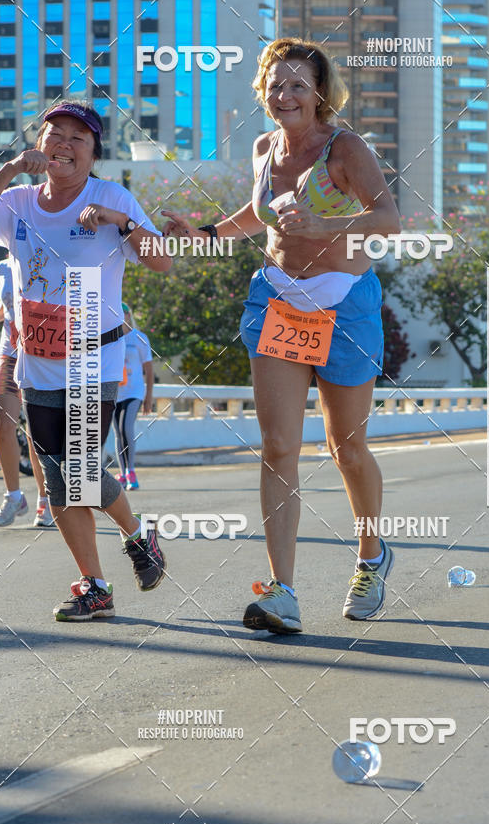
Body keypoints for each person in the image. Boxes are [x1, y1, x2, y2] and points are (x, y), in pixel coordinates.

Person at [163, 37, 400, 634]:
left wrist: (324, 222)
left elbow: (389, 219)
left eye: (298, 84)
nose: (284, 93)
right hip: (277, 302)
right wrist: (207, 231)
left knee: (346, 448)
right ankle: (283, 592)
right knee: (278, 448)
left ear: (320, 94)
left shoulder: (344, 148)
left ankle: (372, 556)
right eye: (275, 82)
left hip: (343, 305)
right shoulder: (265, 146)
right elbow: (256, 214)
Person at [0, 100, 172, 621]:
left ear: (93, 153)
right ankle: (96, 586)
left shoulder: (110, 196)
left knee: (79, 473)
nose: (64, 145)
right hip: (36, 360)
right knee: (56, 478)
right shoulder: (18, 201)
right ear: (40, 145)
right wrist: (6, 169)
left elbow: (161, 260)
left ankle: (139, 537)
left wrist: (121, 222)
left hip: (93, 357)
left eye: (78, 138)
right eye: (56, 135)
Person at [0, 256, 54, 527]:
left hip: (40, 355)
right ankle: (14, 496)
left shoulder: (42, 256)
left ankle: (46, 499)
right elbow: (6, 305)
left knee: (35, 433)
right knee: (2, 423)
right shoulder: (1, 268)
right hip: (10, 353)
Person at [113, 302, 153, 490]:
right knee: (117, 432)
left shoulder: (140, 338)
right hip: (115, 393)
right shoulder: (111, 338)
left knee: (126, 427)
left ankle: (131, 470)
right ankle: (122, 473)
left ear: (129, 315)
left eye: (124, 313)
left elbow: (149, 371)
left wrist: (148, 397)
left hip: (135, 392)